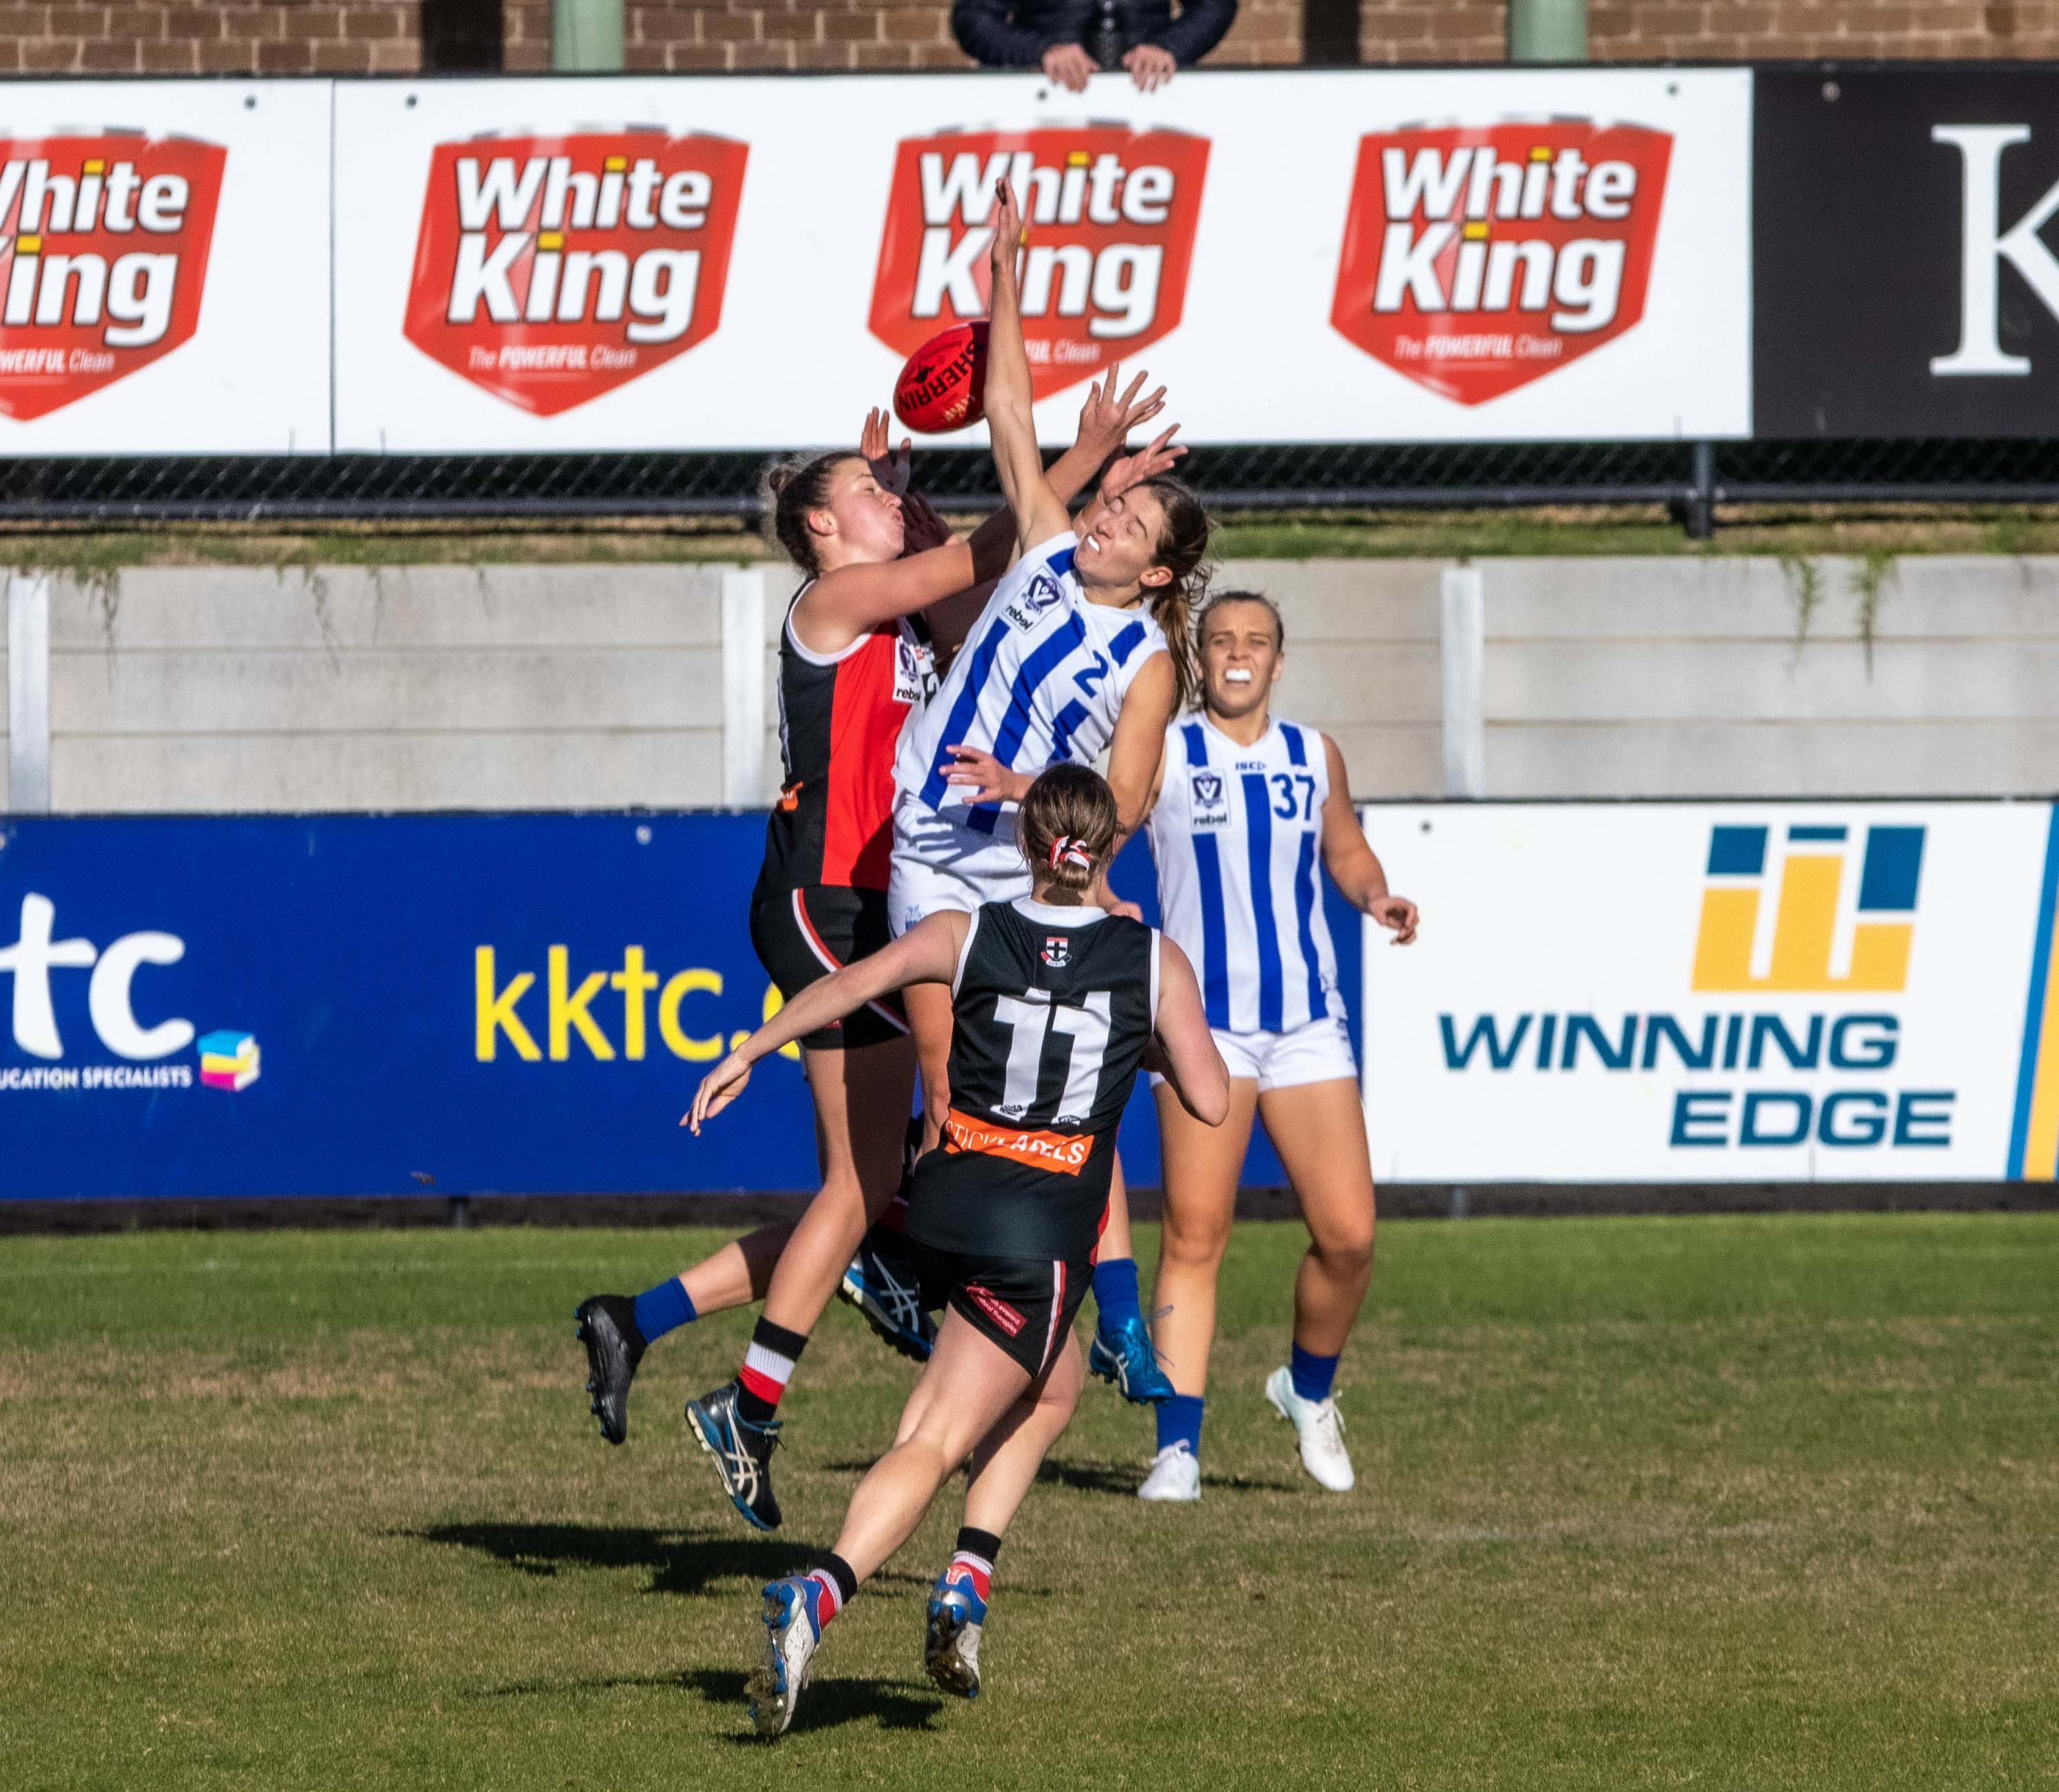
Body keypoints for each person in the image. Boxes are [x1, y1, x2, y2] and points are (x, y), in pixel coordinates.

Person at [573, 382, 1180, 1533]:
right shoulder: (834, 599)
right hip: (823, 898)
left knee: (862, 1194)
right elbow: (985, 552)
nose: (890, 498)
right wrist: (1087, 459)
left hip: (878, 903)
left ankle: (648, 1325)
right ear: (818, 528)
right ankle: (753, 1405)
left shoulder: (913, 625)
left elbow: (993, 585)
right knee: (877, 1180)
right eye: (867, 490)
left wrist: (916, 484)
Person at [684, 766, 1229, 1737]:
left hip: (941, 1211)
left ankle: (965, 1587)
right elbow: (1213, 1097)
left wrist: (748, 1051)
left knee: (1053, 1388)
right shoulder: (1153, 960)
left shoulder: (963, 929)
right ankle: (821, 1594)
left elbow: (849, 984)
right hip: (1036, 1237)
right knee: (934, 1439)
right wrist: (1137, 1042)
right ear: (1110, 849)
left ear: (1026, 846)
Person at [888, 178, 1212, 1409]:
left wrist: (1027, 786)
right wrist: (1005, 279)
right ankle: (939, 1275)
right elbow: (1011, 411)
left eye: (1125, 515)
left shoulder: (1149, 663)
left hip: (1024, 856)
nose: (1103, 514)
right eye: (1109, 499)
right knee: (951, 1087)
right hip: (932, 837)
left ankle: (1115, 1320)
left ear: (1159, 564)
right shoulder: (1037, 548)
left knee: (1070, 1092)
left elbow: (1121, 805)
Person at [1134, 590, 1419, 1501]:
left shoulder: (1312, 753)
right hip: (1200, 1026)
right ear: (1199, 658)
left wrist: (1375, 895)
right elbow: (1095, 821)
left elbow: (1345, 850)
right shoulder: (1166, 750)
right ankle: (1177, 1447)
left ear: (1280, 661)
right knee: (1195, 1233)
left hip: (1304, 1024)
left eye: (1256, 641)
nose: (1238, 654)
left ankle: (1308, 1390)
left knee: (1350, 1236)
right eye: (1221, 640)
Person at [950, 0, 1237, 93]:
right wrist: (1041, 51)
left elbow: (1215, 5)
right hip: (1046, 96)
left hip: (1151, 96)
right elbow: (973, 18)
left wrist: (1167, 46)